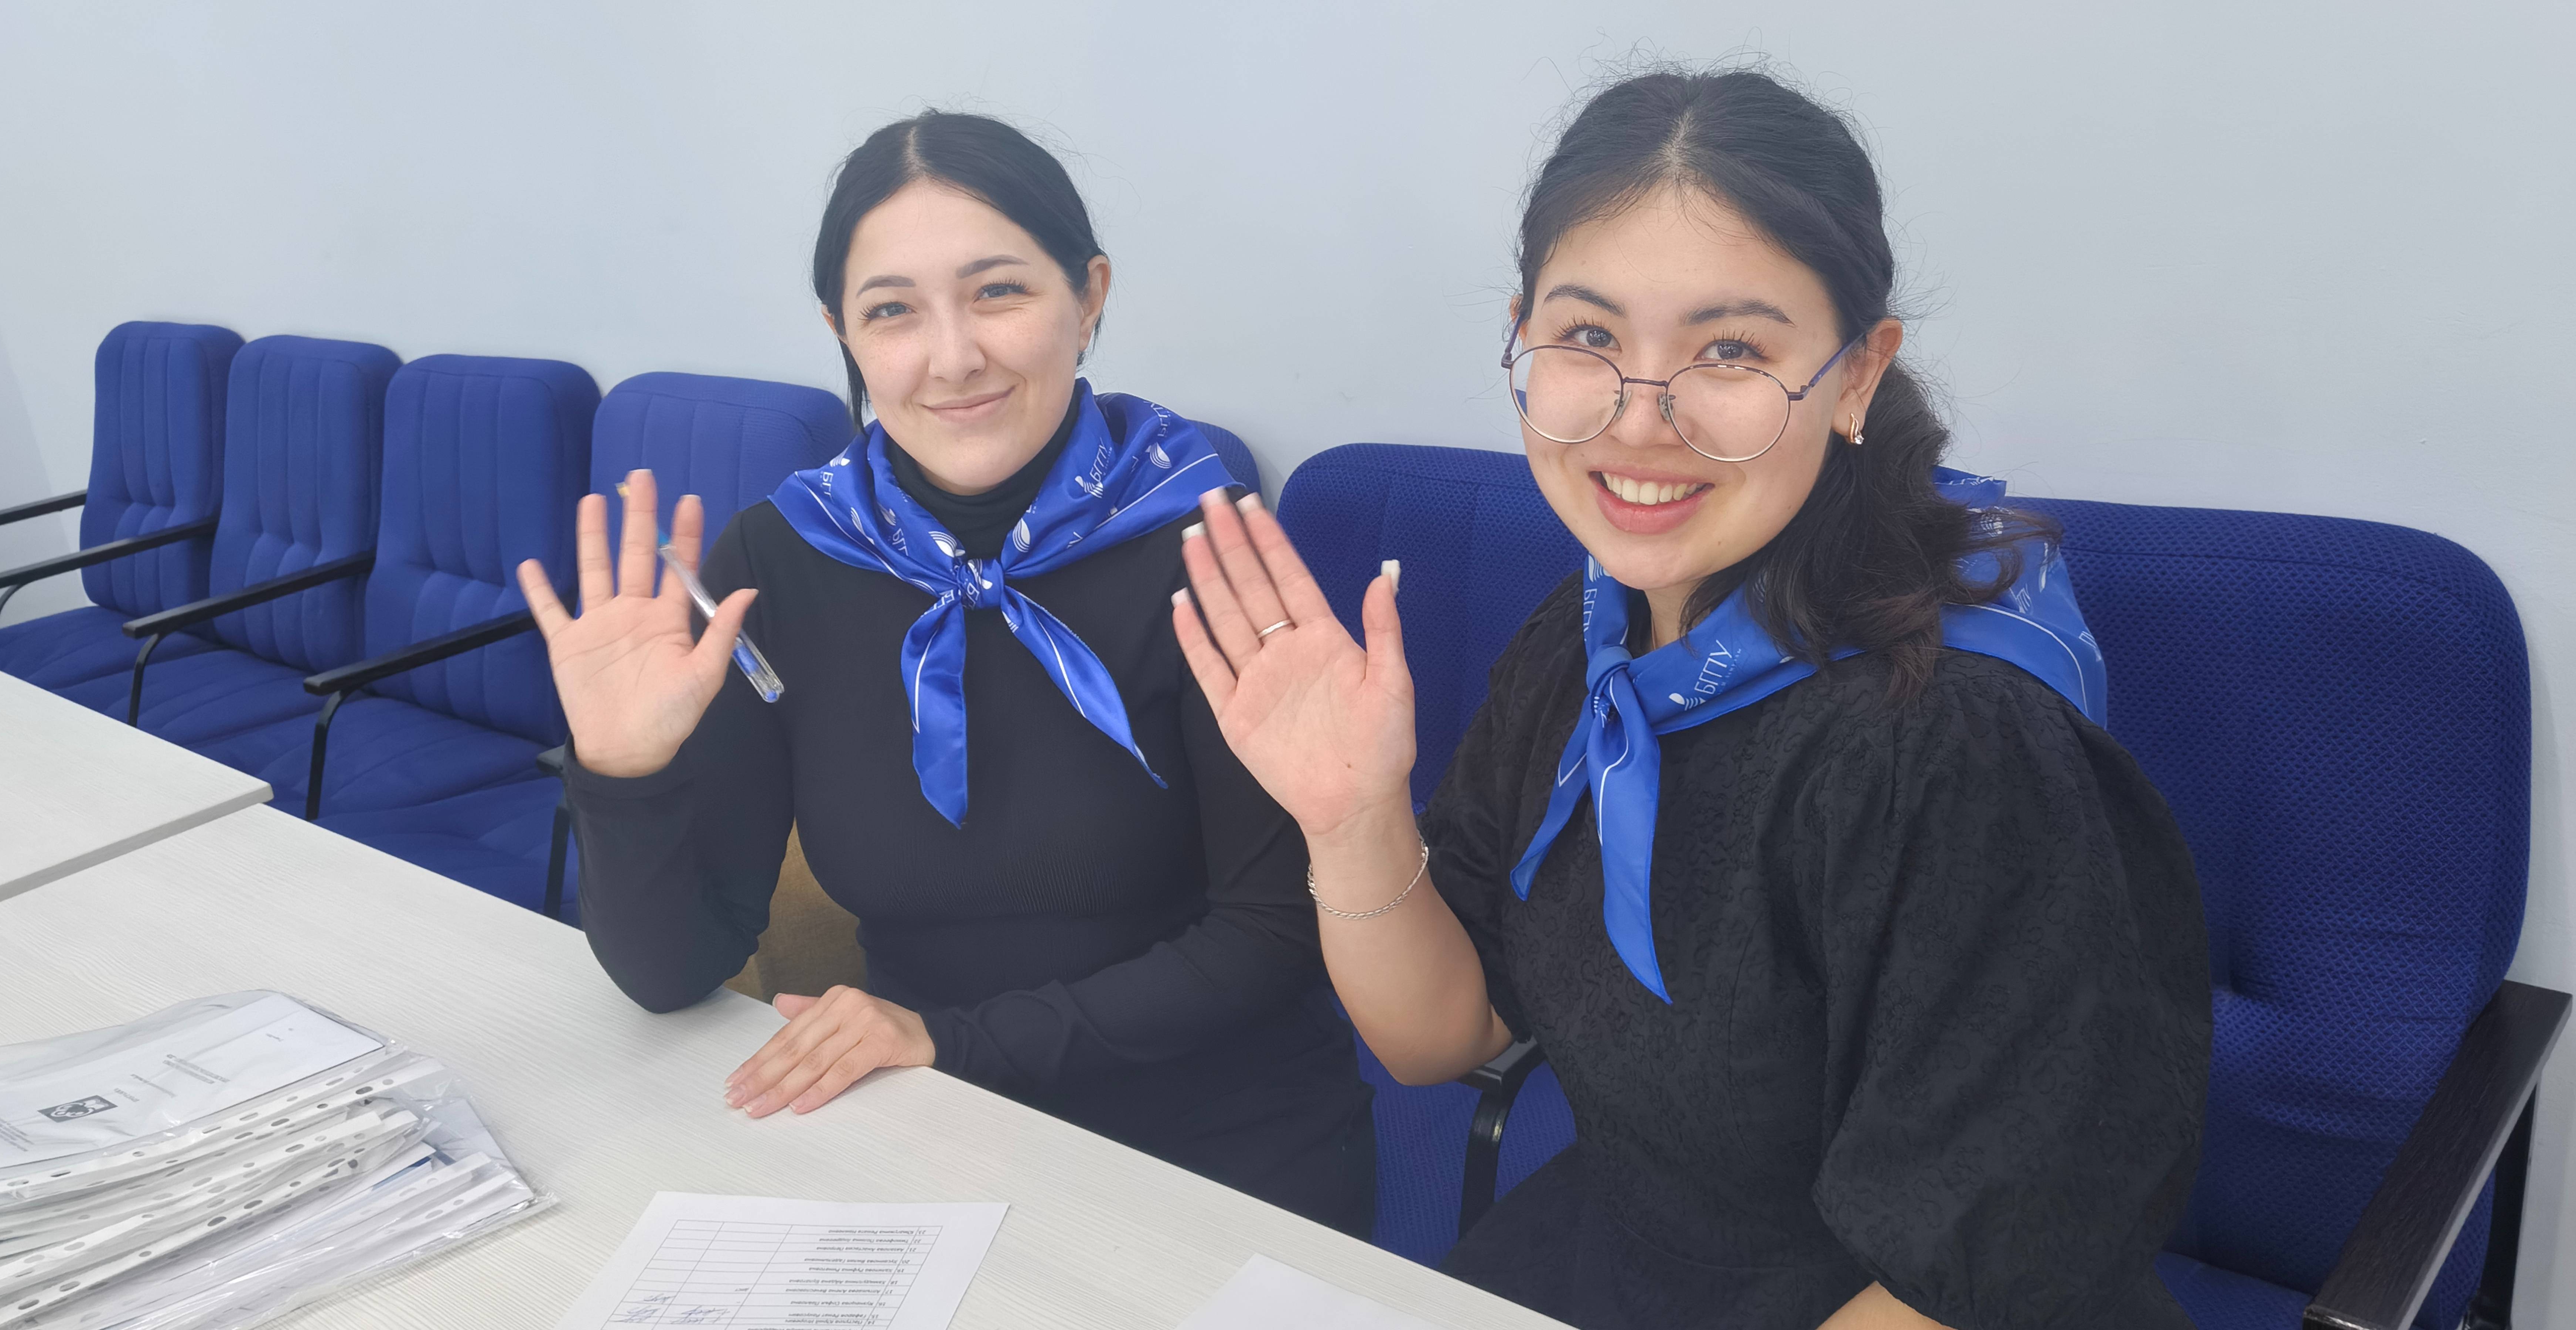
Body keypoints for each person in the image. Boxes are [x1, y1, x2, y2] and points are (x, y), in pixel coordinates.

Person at [1171, 71, 2209, 1329]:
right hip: (1632, 1260)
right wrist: (1353, 820)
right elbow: (1439, 1037)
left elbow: (1974, 1280)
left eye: (1731, 351)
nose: (1639, 420)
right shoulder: (1590, 636)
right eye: (1589, 338)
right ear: (1522, 336)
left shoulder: (1952, 743)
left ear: (1857, 375)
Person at [515, 110, 1374, 1236]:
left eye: (998, 293)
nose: (954, 356)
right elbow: (675, 971)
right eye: (893, 311)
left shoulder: (1209, 544)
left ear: (1090, 296)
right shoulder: (781, 559)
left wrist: (952, 1043)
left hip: (1212, 1142)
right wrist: (625, 776)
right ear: (843, 333)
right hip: (921, 1127)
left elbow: (1276, 935)